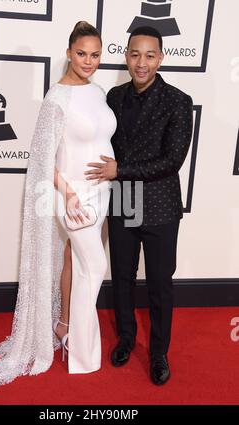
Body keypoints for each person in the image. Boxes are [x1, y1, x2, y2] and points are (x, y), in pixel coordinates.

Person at [0, 21, 116, 388]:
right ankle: (81, 350)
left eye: (95, 54)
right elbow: (41, 158)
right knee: (95, 266)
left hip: (104, 193)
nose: (88, 61)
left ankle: (67, 331)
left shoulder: (98, 92)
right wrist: (66, 193)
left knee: (81, 265)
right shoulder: (57, 98)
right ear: (68, 53)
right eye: (81, 53)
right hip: (74, 196)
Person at [85, 26, 193, 385]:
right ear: (126, 55)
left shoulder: (178, 101)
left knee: (160, 282)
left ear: (160, 58)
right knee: (124, 279)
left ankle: (159, 352)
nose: (141, 63)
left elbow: (172, 160)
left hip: (160, 204)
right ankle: (127, 338)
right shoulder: (113, 97)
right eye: (135, 54)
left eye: (149, 55)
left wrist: (121, 170)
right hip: (125, 200)